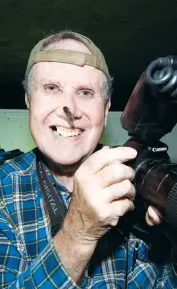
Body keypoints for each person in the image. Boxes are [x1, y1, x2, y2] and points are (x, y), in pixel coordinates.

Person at [0, 30, 176, 289]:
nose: (68, 108)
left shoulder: (135, 176)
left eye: (85, 92)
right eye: (51, 88)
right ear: (28, 100)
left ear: (105, 111)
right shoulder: (4, 189)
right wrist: (79, 233)